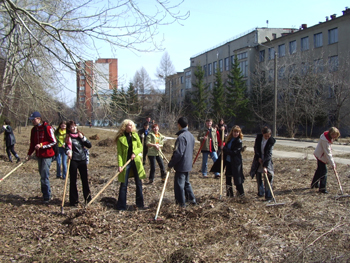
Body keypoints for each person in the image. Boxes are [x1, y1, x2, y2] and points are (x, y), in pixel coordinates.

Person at [26, 111, 57, 203]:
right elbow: (32, 143)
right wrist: (29, 154)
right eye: (31, 120)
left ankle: (47, 196)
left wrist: (42, 145)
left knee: (44, 176)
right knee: (42, 175)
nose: (32, 121)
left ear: (39, 119)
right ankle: (44, 194)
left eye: (34, 119)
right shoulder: (34, 130)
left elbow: (53, 141)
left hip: (47, 155)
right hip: (39, 155)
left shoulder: (47, 128)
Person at [115, 119, 146, 210]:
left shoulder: (135, 135)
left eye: (132, 125)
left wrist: (134, 152)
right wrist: (120, 165)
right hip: (126, 162)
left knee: (138, 183)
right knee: (124, 184)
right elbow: (119, 153)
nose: (131, 126)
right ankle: (121, 206)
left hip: (136, 162)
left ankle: (140, 204)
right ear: (125, 127)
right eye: (129, 125)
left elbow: (140, 147)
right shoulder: (120, 138)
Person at [168, 117, 196, 207]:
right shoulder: (191, 136)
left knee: (179, 185)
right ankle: (192, 200)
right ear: (187, 125)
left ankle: (181, 203)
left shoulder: (181, 137)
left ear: (179, 125)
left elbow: (179, 153)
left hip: (181, 165)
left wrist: (171, 163)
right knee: (186, 183)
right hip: (188, 164)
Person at [211, 125, 245, 197]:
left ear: (239, 133)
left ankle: (241, 195)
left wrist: (225, 149)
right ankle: (229, 195)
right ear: (232, 132)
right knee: (228, 179)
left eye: (237, 132)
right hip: (228, 162)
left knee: (237, 180)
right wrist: (221, 130)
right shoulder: (229, 140)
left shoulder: (239, 142)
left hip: (236, 163)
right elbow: (222, 138)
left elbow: (233, 153)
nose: (236, 133)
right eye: (234, 132)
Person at [65, 121, 92, 206]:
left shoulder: (80, 135)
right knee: (73, 180)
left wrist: (83, 138)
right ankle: (74, 201)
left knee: (85, 180)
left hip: (82, 159)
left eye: (75, 126)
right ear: (69, 129)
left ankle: (88, 199)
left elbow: (89, 145)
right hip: (73, 160)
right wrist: (68, 151)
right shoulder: (68, 137)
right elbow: (66, 147)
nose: (74, 128)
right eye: (72, 127)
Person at [311, 127, 340, 194]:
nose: (334, 136)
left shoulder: (328, 137)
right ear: (330, 133)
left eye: (335, 135)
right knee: (324, 172)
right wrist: (332, 164)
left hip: (320, 155)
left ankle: (314, 184)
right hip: (321, 156)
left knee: (319, 170)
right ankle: (322, 188)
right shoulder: (325, 140)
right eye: (333, 134)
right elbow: (328, 153)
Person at [250, 126, 276, 201]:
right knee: (258, 176)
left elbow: (269, 154)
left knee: (268, 176)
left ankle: (268, 196)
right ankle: (261, 192)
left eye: (269, 136)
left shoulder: (271, 141)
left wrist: (265, 166)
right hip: (258, 159)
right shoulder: (258, 138)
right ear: (262, 134)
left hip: (267, 160)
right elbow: (256, 148)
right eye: (265, 136)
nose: (267, 137)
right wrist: (258, 157)